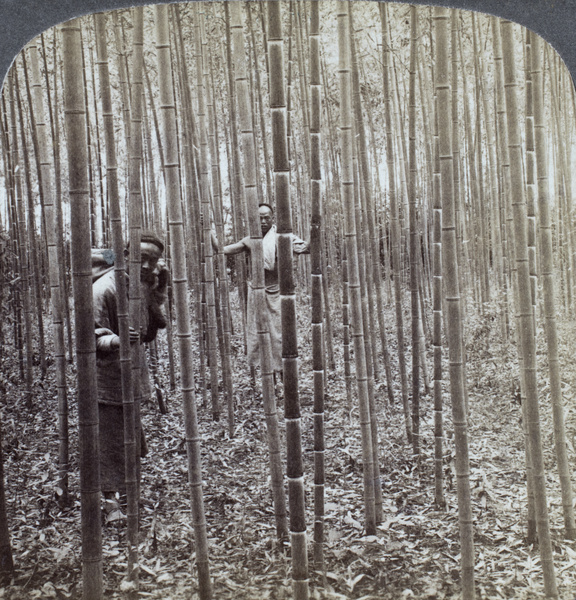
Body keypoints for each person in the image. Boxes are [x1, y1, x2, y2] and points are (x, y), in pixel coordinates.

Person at [92, 230, 168, 498]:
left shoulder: (139, 286)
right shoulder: (105, 288)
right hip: (105, 379)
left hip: (131, 375)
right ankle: (110, 504)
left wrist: (159, 288)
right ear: (126, 256)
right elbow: (89, 340)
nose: (147, 266)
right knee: (108, 441)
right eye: (141, 258)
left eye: (154, 260)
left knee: (128, 439)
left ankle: (127, 495)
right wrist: (117, 340)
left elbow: (150, 330)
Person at [216, 203, 309, 375]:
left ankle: (284, 374)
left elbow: (307, 248)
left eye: (267, 217)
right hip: (257, 292)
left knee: (280, 335)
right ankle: (267, 377)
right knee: (258, 335)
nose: (264, 221)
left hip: (280, 293)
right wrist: (207, 231)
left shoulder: (284, 237)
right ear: (254, 220)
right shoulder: (250, 240)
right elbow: (223, 250)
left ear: (273, 218)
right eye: (260, 218)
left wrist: (315, 226)